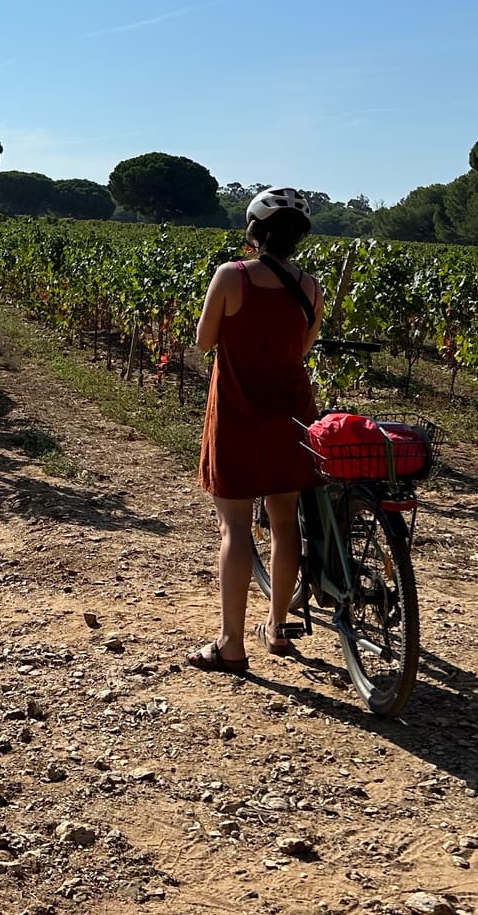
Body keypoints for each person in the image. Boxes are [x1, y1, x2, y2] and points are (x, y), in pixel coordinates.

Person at [186, 188, 323, 673]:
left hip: (240, 414)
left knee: (235, 528)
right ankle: (278, 628)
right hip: (292, 414)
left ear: (254, 231)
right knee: (285, 524)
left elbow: (204, 341)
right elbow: (303, 347)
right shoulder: (309, 285)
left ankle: (231, 644)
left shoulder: (231, 275)